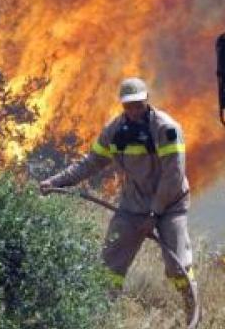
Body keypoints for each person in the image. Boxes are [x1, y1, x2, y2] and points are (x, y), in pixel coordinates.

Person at [39, 77, 196, 318]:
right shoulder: (114, 132)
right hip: (132, 207)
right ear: (122, 105)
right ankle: (100, 316)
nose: (133, 111)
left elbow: (173, 177)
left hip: (169, 205)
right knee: (109, 265)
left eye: (138, 105)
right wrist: (56, 181)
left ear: (146, 101)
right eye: (128, 106)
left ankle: (193, 312)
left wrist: (155, 213)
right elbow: (90, 163)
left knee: (178, 266)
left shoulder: (166, 129)